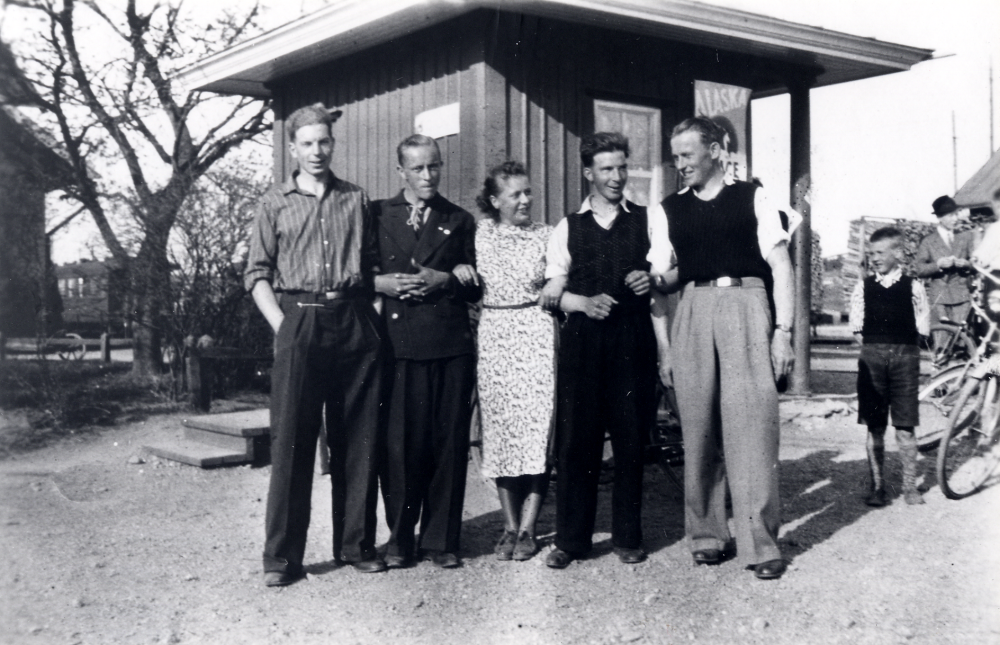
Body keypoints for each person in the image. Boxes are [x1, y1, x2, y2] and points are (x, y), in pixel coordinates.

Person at [245, 104, 388, 587]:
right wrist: (283, 326)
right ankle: (282, 559)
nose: (317, 151)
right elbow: (257, 274)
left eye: (324, 141)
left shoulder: (355, 198)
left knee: (359, 440)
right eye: (307, 143)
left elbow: (370, 269)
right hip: (299, 320)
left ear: (333, 143)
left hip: (352, 320)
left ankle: (356, 545)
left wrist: (368, 316)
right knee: (291, 442)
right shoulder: (274, 202)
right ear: (293, 148)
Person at [654, 116, 794, 580]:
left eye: (688, 155)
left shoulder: (752, 197)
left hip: (746, 306)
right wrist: (664, 343)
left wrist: (783, 331)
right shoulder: (668, 208)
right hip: (693, 309)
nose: (680, 165)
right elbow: (668, 276)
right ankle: (707, 535)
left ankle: (762, 544)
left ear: (715, 151)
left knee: (751, 426)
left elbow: (781, 265)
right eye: (676, 157)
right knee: (698, 427)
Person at [543, 132, 672, 569]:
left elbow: (662, 277)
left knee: (631, 440)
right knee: (576, 442)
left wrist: (648, 279)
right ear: (588, 174)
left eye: (621, 168)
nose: (617, 177)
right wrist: (579, 301)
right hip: (583, 345)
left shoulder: (648, 218)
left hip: (632, 340)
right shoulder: (568, 226)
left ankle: (628, 538)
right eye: (606, 169)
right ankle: (572, 540)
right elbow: (550, 291)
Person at [374, 134, 482, 569]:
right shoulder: (378, 214)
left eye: (434, 166)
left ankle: (441, 540)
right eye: (417, 168)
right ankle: (400, 539)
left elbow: (478, 280)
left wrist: (450, 279)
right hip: (397, 346)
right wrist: (381, 283)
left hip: (448, 344)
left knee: (447, 443)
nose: (427, 176)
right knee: (400, 446)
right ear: (401, 171)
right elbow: (361, 269)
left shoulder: (458, 219)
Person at [456, 161, 564, 562]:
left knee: (536, 432)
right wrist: (460, 266)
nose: (524, 200)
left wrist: (557, 281)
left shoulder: (547, 234)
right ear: (495, 200)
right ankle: (507, 524)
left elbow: (562, 271)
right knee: (501, 431)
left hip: (534, 330)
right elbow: (458, 262)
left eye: (528, 192)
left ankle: (529, 528)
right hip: (496, 332)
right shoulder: (480, 234)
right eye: (515, 194)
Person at [849, 227, 931, 507]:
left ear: (897, 253)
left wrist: (901, 350)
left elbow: (922, 327)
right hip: (872, 358)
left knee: (905, 425)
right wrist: (877, 349)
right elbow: (857, 328)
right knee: (874, 426)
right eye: (871, 254)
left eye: (880, 253)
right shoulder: (863, 286)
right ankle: (878, 487)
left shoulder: (913, 286)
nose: (874, 259)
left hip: (905, 358)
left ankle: (909, 487)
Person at [914, 195, 975, 346]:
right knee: (942, 345)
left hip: (961, 298)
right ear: (940, 218)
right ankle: (940, 369)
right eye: (950, 215)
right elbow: (920, 269)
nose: (955, 219)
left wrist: (967, 264)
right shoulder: (928, 241)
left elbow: (976, 264)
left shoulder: (964, 238)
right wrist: (938, 265)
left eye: (956, 214)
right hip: (939, 299)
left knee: (962, 343)